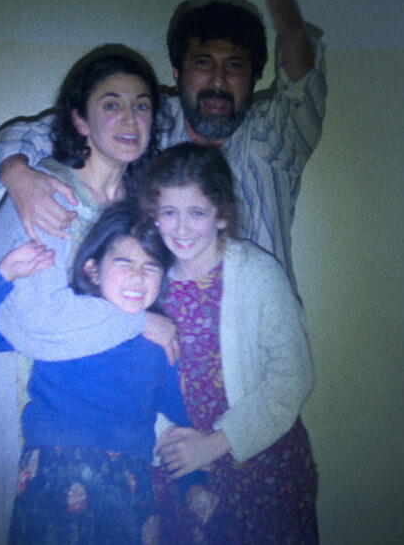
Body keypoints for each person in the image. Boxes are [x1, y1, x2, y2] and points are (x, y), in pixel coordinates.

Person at [0, 48, 174, 544]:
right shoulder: (44, 193)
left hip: (107, 436)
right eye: (112, 104)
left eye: (142, 106)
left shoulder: (142, 210)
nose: (130, 118)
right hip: (13, 411)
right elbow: (33, 323)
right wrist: (141, 322)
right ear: (80, 120)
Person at [0, 0, 327, 289]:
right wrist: (18, 175)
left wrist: (288, 24)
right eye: (203, 63)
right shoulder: (151, 122)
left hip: (254, 320)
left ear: (254, 76)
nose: (218, 81)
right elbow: (45, 132)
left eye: (234, 66)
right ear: (177, 72)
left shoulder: (273, 139)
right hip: (155, 317)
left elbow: (303, 87)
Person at [0, 201, 216, 544]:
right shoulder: (61, 326)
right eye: (124, 262)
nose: (138, 275)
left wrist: (193, 485)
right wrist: (2, 276)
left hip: (129, 481)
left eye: (150, 266)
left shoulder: (161, 340)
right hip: (54, 469)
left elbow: (177, 421)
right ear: (92, 271)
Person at [138, 143, 319, 543]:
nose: (181, 228)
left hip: (260, 472)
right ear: (154, 215)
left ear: (221, 214)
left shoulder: (257, 273)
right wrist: (171, 443)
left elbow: (294, 378)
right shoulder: (145, 279)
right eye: (169, 212)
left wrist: (217, 443)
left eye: (196, 213)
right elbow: (133, 377)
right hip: (179, 470)